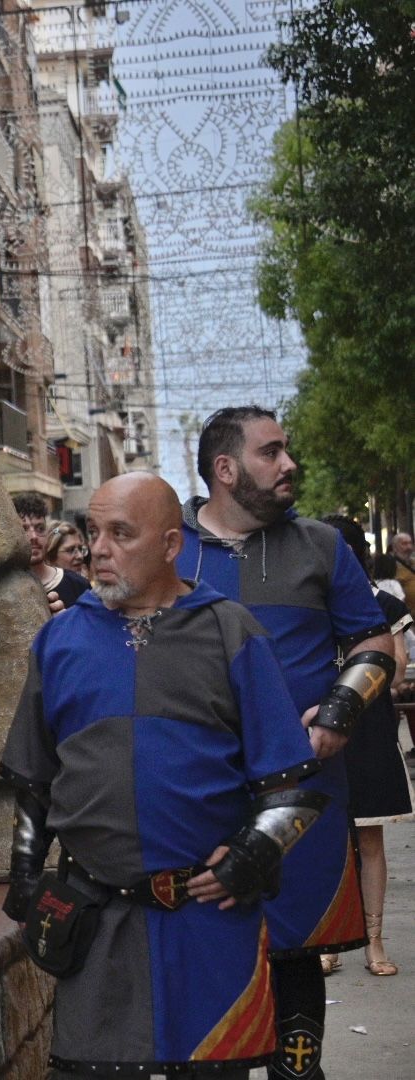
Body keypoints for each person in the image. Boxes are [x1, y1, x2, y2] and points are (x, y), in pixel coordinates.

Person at [3, 473, 323, 1077]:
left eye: (121, 533)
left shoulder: (231, 631)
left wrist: (251, 854)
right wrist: (26, 881)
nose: (99, 548)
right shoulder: (59, 640)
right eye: (95, 532)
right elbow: (34, 782)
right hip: (95, 925)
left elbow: (292, 784)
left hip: (206, 923)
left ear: (171, 544)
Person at [178, 406, 395, 1080]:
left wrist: (338, 711)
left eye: (286, 451)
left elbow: (375, 639)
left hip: (304, 787)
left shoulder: (323, 545)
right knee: (208, 943)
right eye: (271, 452)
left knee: (298, 948)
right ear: (225, 469)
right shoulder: (170, 549)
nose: (289, 464)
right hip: (199, 793)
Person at [320, 516, 412, 978]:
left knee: (370, 840)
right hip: (321, 737)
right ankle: (329, 940)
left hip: (370, 736)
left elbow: (396, 672)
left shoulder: (384, 604)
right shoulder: (311, 605)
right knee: (327, 841)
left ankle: (374, 942)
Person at [15, 494, 88, 614]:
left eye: (40, 528)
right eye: (24, 529)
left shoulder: (78, 584)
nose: (33, 537)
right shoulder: (3, 590)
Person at [391, 532, 415, 597]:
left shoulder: (413, 562)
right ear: (395, 547)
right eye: (404, 544)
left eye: (410, 543)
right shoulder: (390, 566)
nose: (409, 547)